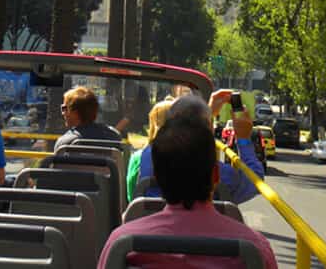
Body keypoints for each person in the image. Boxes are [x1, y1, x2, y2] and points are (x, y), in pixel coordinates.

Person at [98, 114, 276, 268]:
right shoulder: (255, 249)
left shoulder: (122, 244)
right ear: (215, 176)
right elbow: (254, 180)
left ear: (157, 177)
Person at [133, 91, 264, 204]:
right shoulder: (218, 171)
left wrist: (206, 115)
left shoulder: (148, 155)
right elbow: (255, 182)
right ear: (215, 175)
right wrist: (243, 139)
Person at [127, 97, 174, 201]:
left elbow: (131, 196)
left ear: (152, 124)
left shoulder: (138, 158)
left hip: (145, 213)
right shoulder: (191, 158)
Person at [54, 86, 122, 150]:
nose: (63, 113)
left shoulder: (64, 144)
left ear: (75, 112)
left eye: (64, 108)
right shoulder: (114, 137)